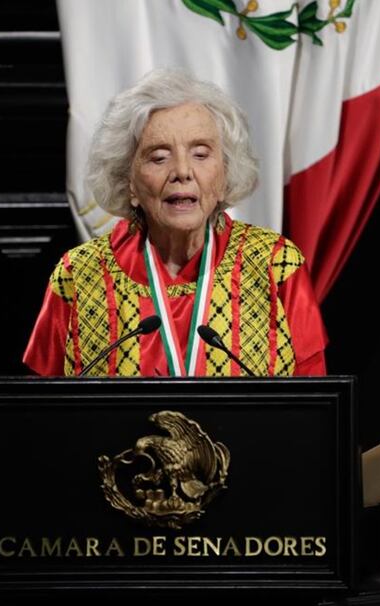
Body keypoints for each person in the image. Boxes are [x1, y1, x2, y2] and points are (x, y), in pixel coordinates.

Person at [23, 68, 327, 377]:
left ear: (224, 174)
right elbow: (40, 411)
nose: (182, 170)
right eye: (158, 157)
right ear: (129, 182)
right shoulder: (79, 275)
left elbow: (315, 405)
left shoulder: (275, 265)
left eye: (200, 154)